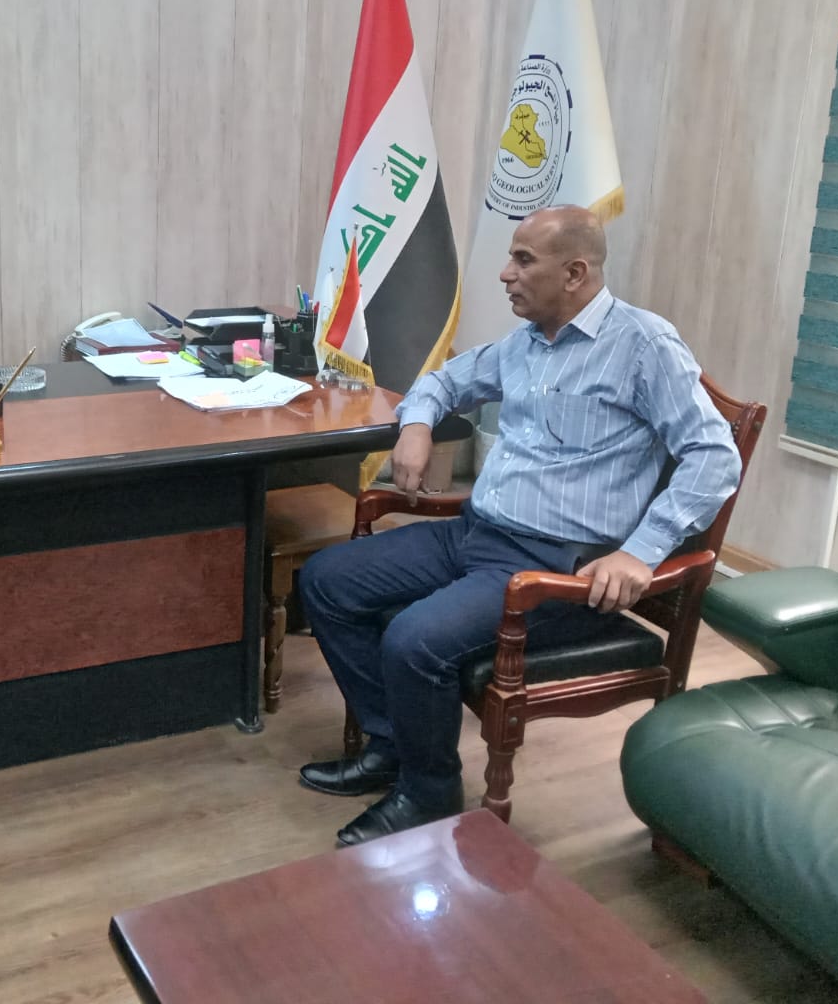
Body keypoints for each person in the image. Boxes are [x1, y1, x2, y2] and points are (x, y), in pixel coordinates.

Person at [297, 206, 742, 847]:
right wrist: (416, 427)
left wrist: (641, 552)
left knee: (414, 640)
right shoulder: (526, 342)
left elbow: (713, 456)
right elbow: (443, 381)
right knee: (327, 579)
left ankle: (430, 795)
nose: (506, 273)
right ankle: (393, 745)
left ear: (575, 273)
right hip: (476, 534)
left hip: (553, 566)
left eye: (523, 260)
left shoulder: (644, 346)